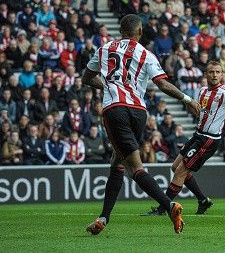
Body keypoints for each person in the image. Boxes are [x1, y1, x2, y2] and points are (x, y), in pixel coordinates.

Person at [82, 14, 201, 235]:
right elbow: (163, 85)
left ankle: (170, 206)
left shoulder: (104, 49)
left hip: (115, 110)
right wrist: (188, 100)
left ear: (120, 30)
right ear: (140, 32)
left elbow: (86, 78)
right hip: (139, 112)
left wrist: (108, 86)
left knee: (134, 167)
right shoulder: (145, 54)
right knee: (117, 162)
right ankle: (103, 218)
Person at [143, 61, 225, 216]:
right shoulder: (201, 91)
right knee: (175, 167)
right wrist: (190, 105)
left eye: (217, 72)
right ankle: (203, 200)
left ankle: (163, 208)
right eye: (211, 72)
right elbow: (200, 114)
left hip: (209, 139)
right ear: (206, 74)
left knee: (180, 171)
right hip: (198, 134)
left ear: (222, 75)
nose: (214, 75)